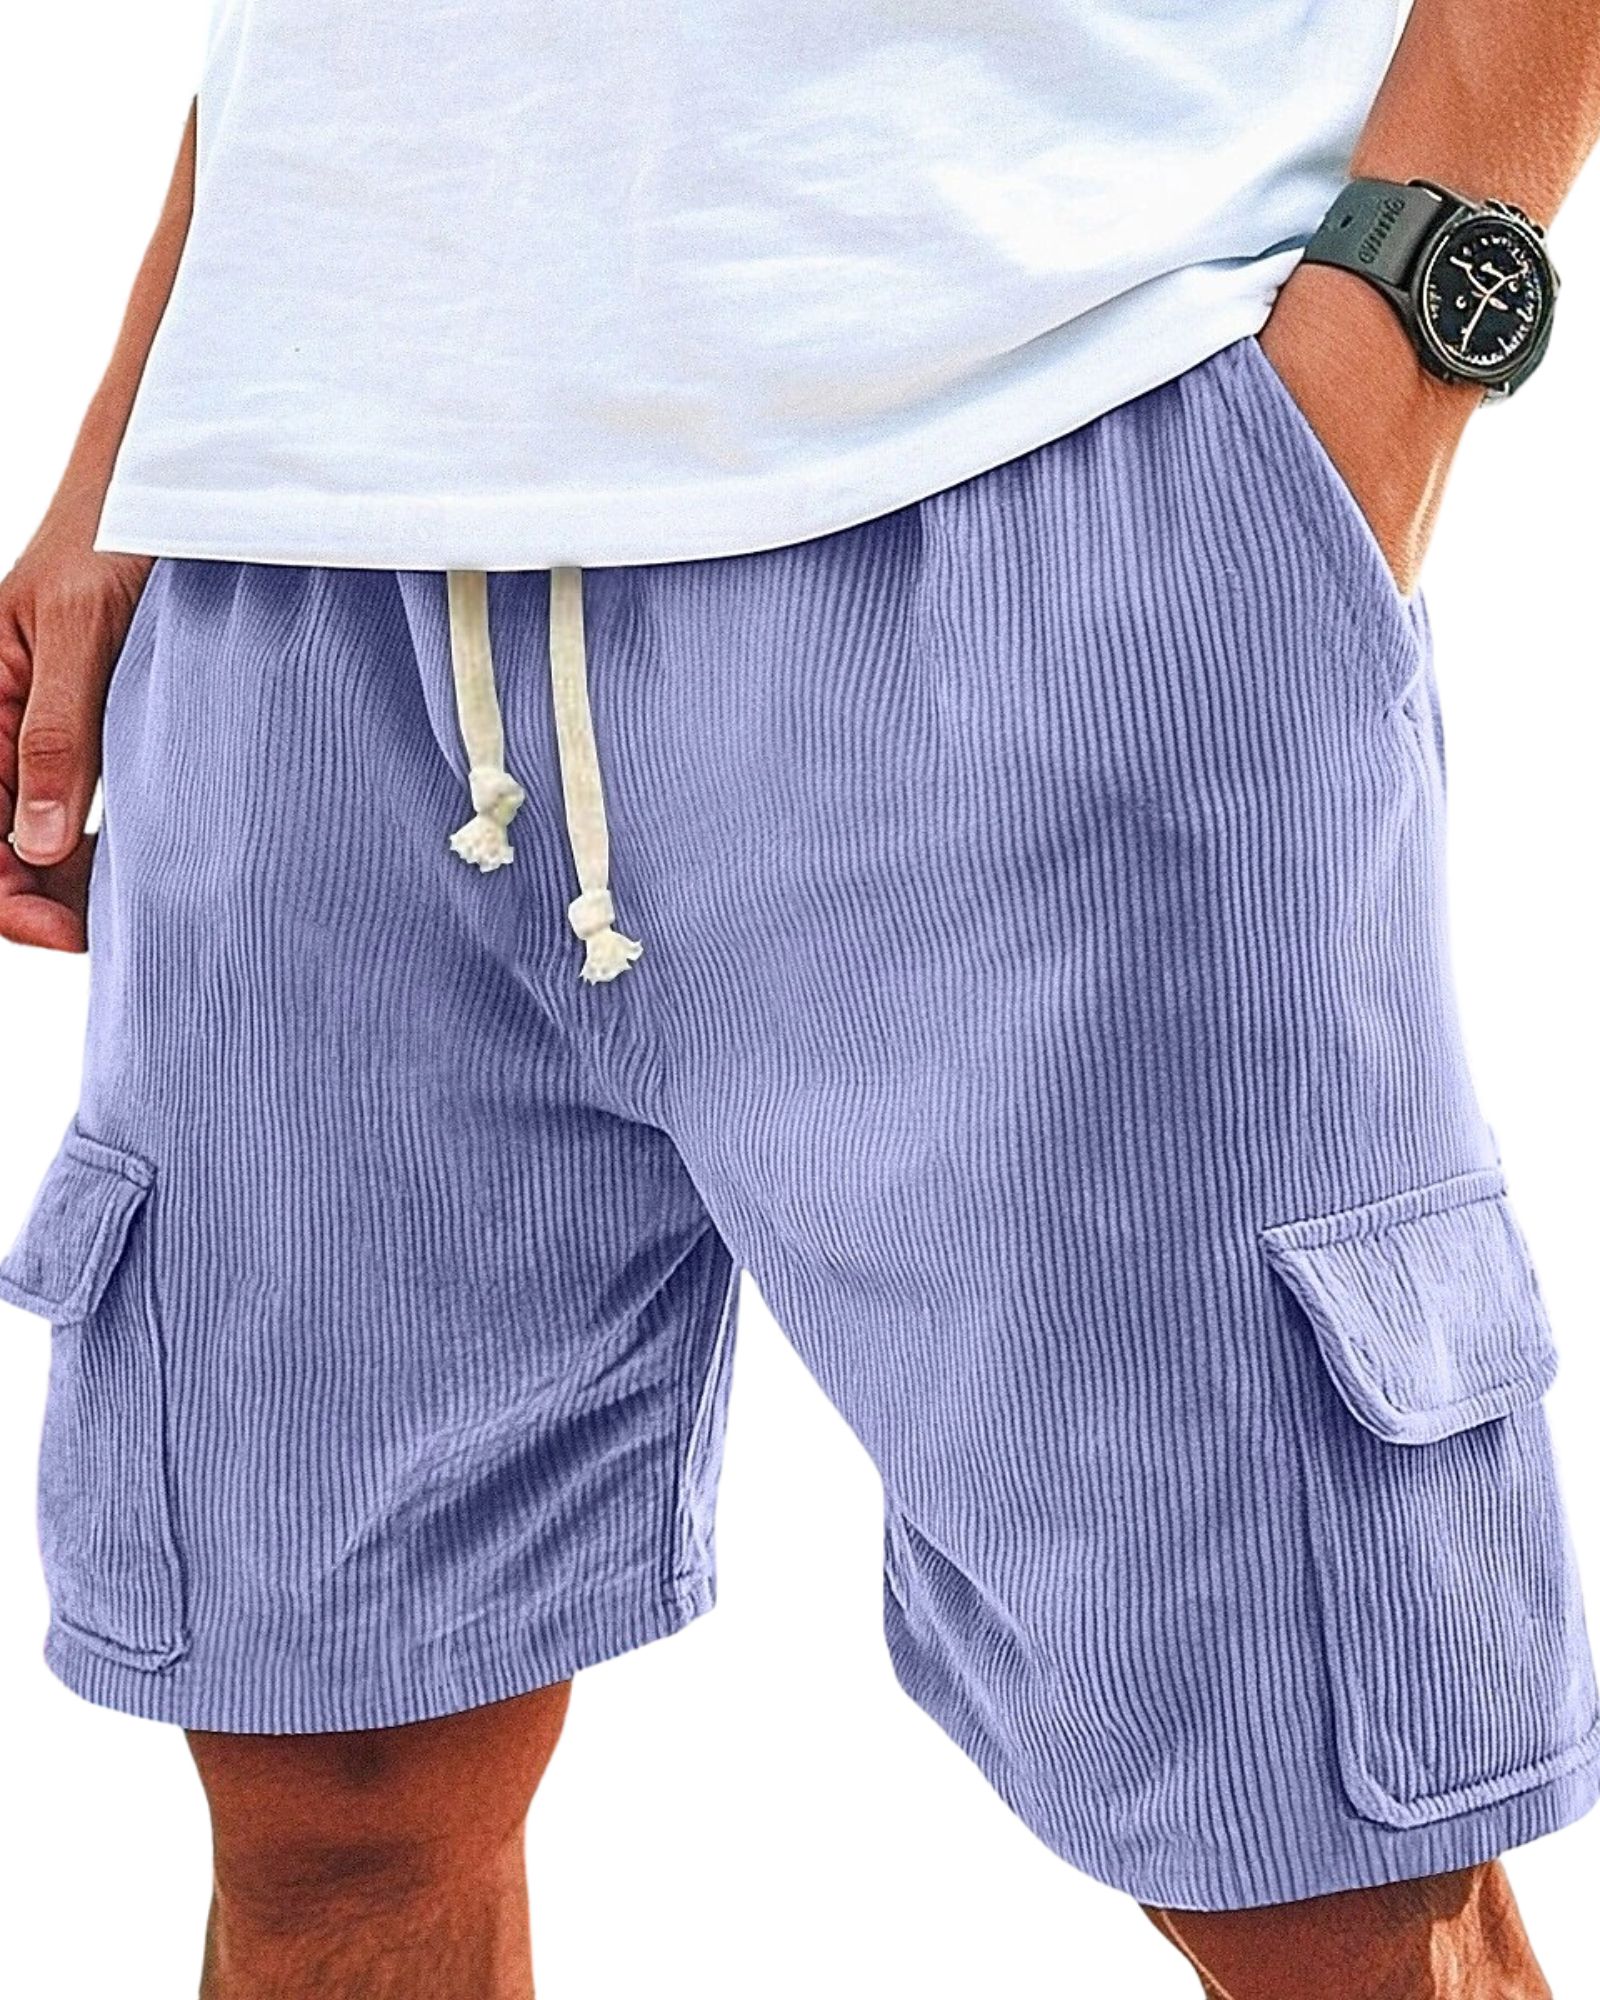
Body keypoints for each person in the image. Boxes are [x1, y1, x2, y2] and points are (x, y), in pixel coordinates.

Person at [2, 2, 1598, 1994]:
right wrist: (132, 445)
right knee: (331, 1785)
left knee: (1320, 1868)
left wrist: (1402, 332)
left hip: (1032, 464)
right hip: (299, 573)